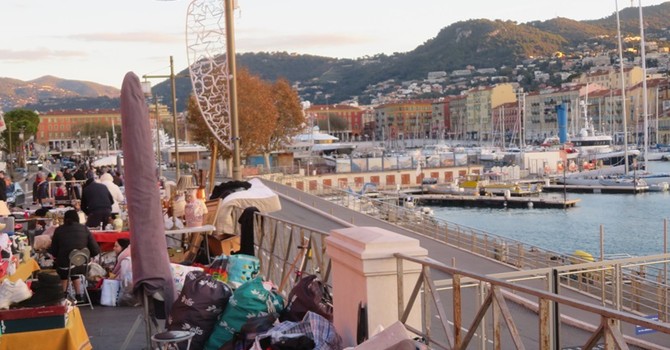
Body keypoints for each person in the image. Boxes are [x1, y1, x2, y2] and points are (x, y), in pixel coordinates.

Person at [48, 209, 100, 302]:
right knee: (75, 265)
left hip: (65, 267)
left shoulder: (59, 230)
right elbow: (95, 250)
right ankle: (78, 294)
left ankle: (63, 296)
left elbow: (54, 251)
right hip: (83, 266)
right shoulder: (84, 229)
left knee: (66, 270)